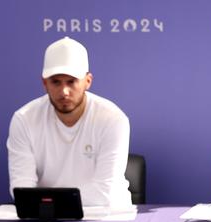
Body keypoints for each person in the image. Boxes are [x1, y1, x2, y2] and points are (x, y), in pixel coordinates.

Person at [7, 37, 132, 210]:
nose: (64, 91)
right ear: (45, 83)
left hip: (106, 217)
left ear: (88, 81)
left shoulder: (113, 119)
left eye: (71, 81)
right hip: (46, 219)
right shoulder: (24, 119)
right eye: (56, 82)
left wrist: (47, 203)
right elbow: (21, 188)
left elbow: (105, 191)